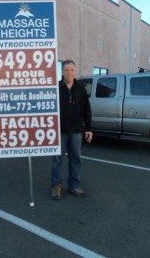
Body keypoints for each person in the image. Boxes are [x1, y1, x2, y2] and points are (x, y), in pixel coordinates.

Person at [51, 59, 93, 200]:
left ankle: (74, 185)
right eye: (66, 70)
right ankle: (56, 186)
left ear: (75, 71)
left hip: (76, 131)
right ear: (62, 72)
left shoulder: (80, 88)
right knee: (57, 159)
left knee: (75, 159)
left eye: (72, 70)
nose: (69, 73)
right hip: (59, 131)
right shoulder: (55, 88)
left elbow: (87, 110)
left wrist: (89, 128)